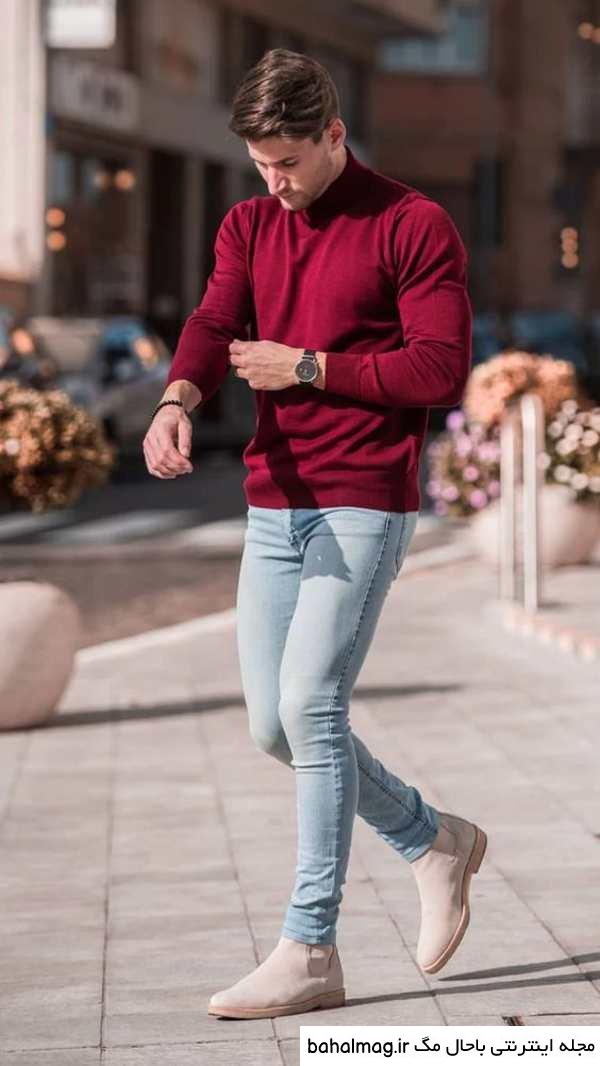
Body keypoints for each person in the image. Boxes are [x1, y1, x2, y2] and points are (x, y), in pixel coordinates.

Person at [142, 48, 487, 1021]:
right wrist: (176, 400)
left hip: (364, 499)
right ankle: (434, 840)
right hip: (275, 502)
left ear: (334, 134)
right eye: (261, 165)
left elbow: (439, 369)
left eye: (289, 162)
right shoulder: (251, 224)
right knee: (272, 726)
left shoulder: (411, 223)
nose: (275, 183)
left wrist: (308, 367)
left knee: (311, 705)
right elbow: (213, 322)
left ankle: (310, 947)